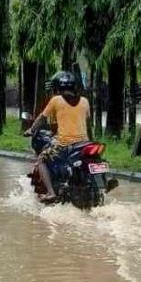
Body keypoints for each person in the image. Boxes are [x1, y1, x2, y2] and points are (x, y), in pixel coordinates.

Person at [25, 71, 90, 202]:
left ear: (56, 88)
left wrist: (31, 130)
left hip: (64, 143)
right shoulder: (84, 101)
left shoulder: (56, 100)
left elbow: (41, 118)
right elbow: (86, 121)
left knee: (42, 159)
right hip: (85, 143)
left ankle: (50, 193)